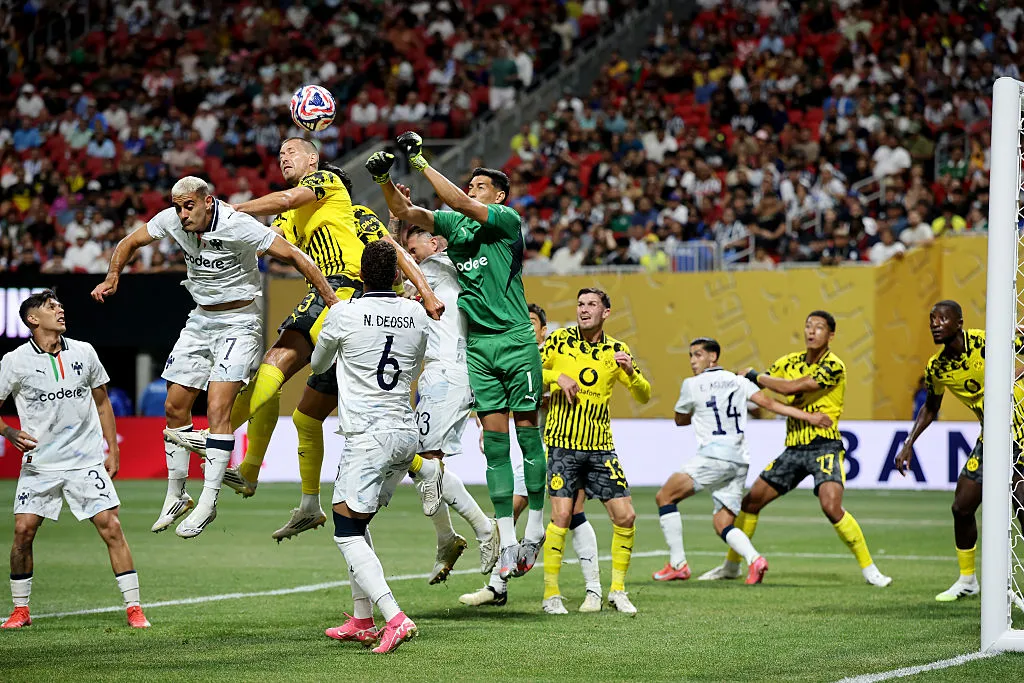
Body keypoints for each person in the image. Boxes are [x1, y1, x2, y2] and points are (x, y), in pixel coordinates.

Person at [164, 138, 442, 542]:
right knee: (300, 410)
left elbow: (395, 252)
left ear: (317, 167)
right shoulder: (298, 220)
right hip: (324, 295)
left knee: (329, 398)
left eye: (291, 152)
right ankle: (289, 493)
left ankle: (218, 443)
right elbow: (271, 237)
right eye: (280, 155)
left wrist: (229, 209)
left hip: (347, 298)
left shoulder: (341, 197)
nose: (283, 158)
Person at [91, 176, 335, 538]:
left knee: (219, 408)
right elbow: (130, 241)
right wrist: (113, 276)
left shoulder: (240, 225)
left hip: (240, 321)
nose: (182, 214)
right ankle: (177, 495)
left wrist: (332, 301)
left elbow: (295, 255)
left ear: (208, 201)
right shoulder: (173, 221)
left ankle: (208, 501)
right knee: (174, 406)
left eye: (188, 206)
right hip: (200, 319)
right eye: (177, 207)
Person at [368, 133, 547, 579]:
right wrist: (385, 179)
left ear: (500, 195)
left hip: (496, 347)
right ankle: (498, 536)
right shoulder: (450, 239)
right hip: (474, 354)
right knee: (488, 451)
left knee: (514, 438)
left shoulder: (503, 220)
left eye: (480, 186)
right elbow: (410, 216)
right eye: (470, 185)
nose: (472, 191)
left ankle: (520, 529)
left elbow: (456, 208)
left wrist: (421, 162)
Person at [701, 311, 892, 587]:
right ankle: (731, 566)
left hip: (825, 446)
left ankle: (870, 569)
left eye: (819, 327)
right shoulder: (787, 362)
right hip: (793, 448)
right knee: (751, 502)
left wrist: (755, 375)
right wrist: (742, 392)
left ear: (831, 335)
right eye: (808, 326)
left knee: (831, 505)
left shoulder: (834, 365)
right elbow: (762, 395)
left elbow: (791, 388)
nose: (812, 331)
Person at [0, 291, 150, 629]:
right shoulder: (15, 360)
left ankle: (134, 608)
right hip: (40, 464)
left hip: (85, 461)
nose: (60, 309)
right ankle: (21, 610)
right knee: (23, 532)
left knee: (111, 527)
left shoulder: (84, 351)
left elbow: (102, 403)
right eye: (51, 307)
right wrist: (8, 432)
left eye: (60, 306)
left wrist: (114, 448)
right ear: (32, 320)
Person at [314, 241, 430, 654]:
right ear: (398, 275)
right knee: (358, 524)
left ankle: (393, 617)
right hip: (405, 431)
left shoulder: (344, 311)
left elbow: (318, 365)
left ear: (362, 275)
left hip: (367, 434)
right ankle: (362, 620)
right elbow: (421, 356)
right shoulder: (416, 312)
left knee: (345, 529)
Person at [653, 337, 834, 585]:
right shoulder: (739, 382)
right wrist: (809, 418)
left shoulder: (691, 385)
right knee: (722, 523)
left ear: (713, 357)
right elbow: (769, 404)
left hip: (713, 456)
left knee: (665, 497)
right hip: (738, 460)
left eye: (697, 355)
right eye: (691, 356)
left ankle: (678, 565)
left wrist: (695, 410)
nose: (693, 361)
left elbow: (680, 420)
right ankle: (755, 560)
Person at [460, 303, 600, 608]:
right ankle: (498, 585)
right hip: (534, 453)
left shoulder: (556, 353)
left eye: (532, 322)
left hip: (564, 446)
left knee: (573, 514)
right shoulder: (513, 359)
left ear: (543, 329)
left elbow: (569, 377)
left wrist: (555, 378)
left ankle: (593, 590)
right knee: (512, 512)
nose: (525, 325)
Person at [895, 301, 1024, 601]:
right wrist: (908, 443)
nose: (935, 323)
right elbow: (931, 407)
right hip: (993, 437)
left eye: (942, 318)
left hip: (1022, 429)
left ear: (959, 323)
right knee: (961, 506)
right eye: (931, 319)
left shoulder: (987, 340)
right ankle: (968, 580)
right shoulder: (937, 368)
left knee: (1021, 504)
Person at [538, 288, 651, 615]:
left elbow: (644, 395)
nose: (584, 310)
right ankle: (551, 595)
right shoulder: (559, 341)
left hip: (601, 448)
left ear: (606, 313)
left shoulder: (618, 350)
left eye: (591, 305)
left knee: (626, 516)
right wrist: (555, 377)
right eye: (580, 304)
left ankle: (617, 590)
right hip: (562, 444)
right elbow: (529, 372)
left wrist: (630, 371)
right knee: (562, 515)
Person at [403, 226, 499, 582]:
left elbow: (396, 274)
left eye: (416, 249)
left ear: (435, 243)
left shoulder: (436, 267)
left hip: (445, 375)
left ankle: (481, 528)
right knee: (425, 464)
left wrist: (393, 232)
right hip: (445, 375)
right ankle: (449, 537)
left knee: (422, 462)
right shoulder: (453, 272)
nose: (412, 258)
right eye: (409, 252)